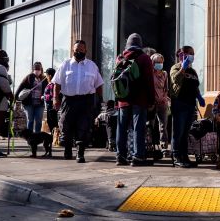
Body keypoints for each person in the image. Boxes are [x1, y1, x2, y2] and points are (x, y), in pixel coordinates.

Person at [53, 40, 104, 163]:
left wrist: (100, 101)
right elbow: (57, 84)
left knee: (84, 127)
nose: (78, 52)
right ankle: (68, 150)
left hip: (86, 101)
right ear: (73, 51)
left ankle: (80, 154)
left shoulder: (92, 66)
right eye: (76, 50)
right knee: (66, 126)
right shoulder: (65, 65)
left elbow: (99, 85)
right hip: (68, 100)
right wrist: (56, 98)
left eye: (81, 50)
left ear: (85, 50)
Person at [114, 33, 155, 167]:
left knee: (121, 128)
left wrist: (117, 101)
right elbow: (149, 81)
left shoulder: (119, 58)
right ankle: (138, 156)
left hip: (123, 100)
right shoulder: (145, 58)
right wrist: (151, 100)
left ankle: (120, 156)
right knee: (139, 128)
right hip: (140, 99)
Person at [169, 45, 205, 168]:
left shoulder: (193, 71)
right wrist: (182, 68)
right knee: (178, 132)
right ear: (182, 54)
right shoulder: (176, 67)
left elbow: (195, 86)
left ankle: (184, 156)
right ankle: (176, 156)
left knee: (185, 133)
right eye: (190, 53)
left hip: (190, 105)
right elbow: (175, 79)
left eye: (193, 53)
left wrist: (199, 97)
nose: (192, 56)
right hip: (179, 104)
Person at [14, 62, 48, 157]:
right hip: (29, 103)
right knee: (30, 120)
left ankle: (36, 139)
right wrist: (15, 97)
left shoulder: (44, 78)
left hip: (39, 104)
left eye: (38, 69)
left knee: (38, 121)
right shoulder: (29, 77)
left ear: (41, 69)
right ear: (33, 69)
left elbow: (47, 89)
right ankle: (29, 138)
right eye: (35, 69)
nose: (37, 71)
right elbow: (20, 87)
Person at [150, 53, 170, 155]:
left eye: (161, 62)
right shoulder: (150, 73)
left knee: (163, 125)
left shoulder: (165, 74)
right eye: (157, 62)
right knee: (150, 125)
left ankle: (164, 146)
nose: (159, 64)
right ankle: (150, 145)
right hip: (152, 103)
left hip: (163, 102)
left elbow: (166, 88)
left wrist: (164, 97)